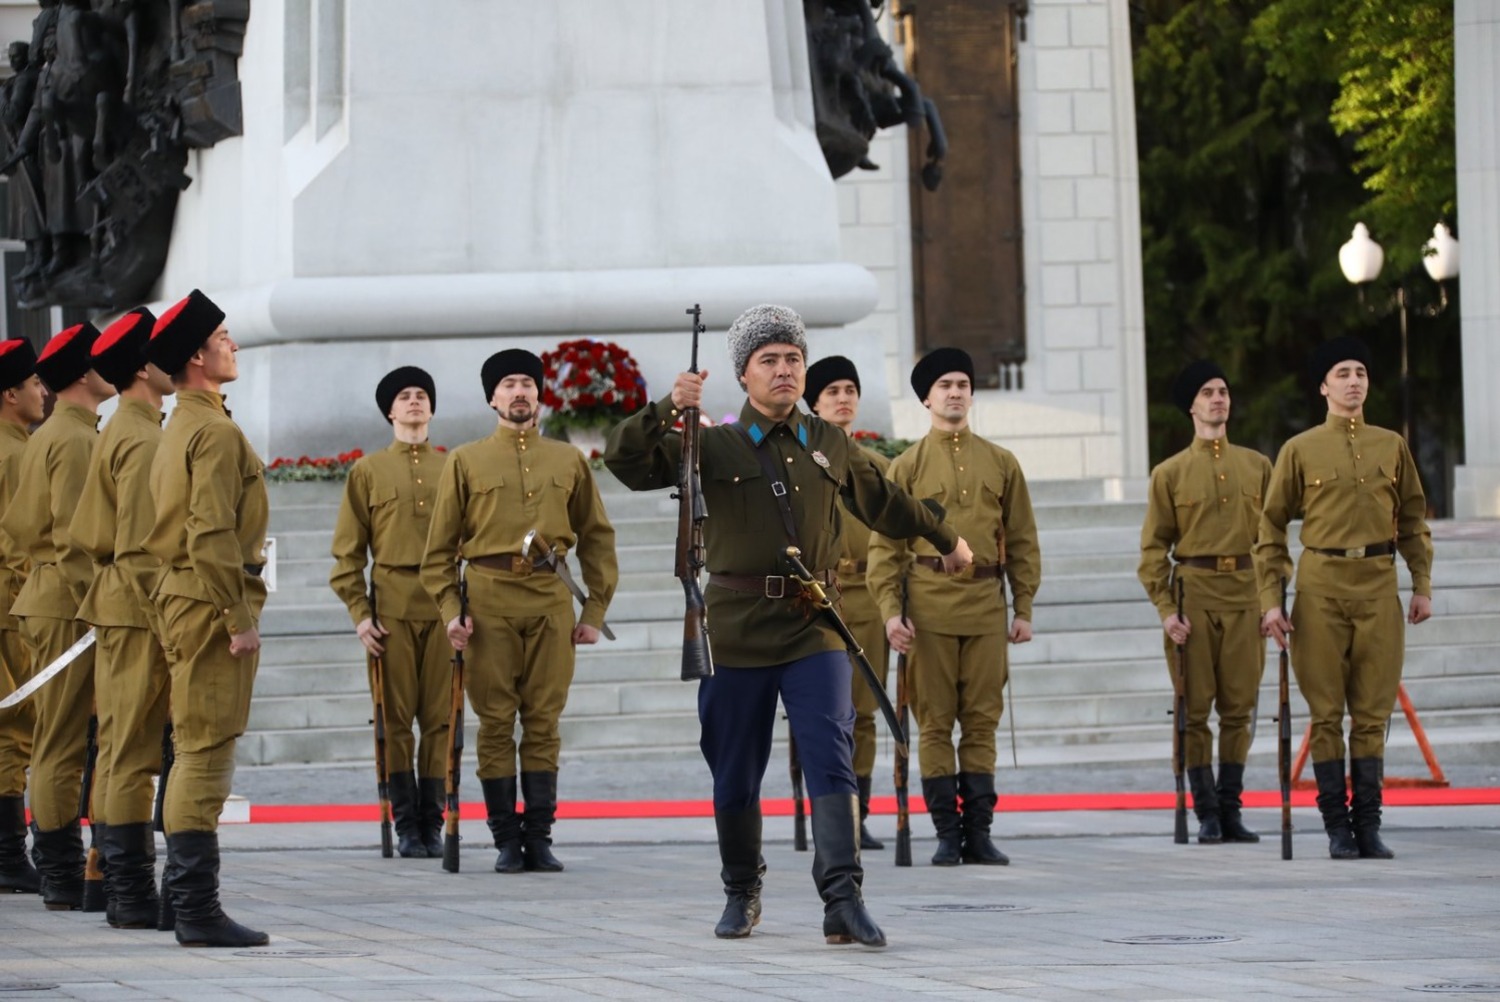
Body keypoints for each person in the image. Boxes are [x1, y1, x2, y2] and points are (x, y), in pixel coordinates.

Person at [605, 305, 973, 948]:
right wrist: (669, 404)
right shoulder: (708, 443)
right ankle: (741, 890)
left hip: (814, 625)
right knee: (735, 769)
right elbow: (626, 461)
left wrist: (947, 537)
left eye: (792, 359)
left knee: (832, 752)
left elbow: (884, 502)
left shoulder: (828, 442)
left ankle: (843, 899)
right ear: (743, 376)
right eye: (768, 361)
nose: (784, 370)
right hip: (736, 628)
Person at [421, 349, 617, 875]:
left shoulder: (568, 460)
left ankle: (540, 836)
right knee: (494, 722)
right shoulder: (466, 461)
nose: (519, 393)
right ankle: (506, 838)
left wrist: (594, 609)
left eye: (527, 383)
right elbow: (438, 552)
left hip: (551, 601)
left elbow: (597, 537)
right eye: (508, 384)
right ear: (492, 397)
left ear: (540, 394)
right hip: (487, 601)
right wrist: (449, 611)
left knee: (544, 721)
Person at [1257, 335, 1432, 861]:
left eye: (1360, 371)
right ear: (1323, 387)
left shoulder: (1390, 445)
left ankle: (1369, 825)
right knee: (1328, 714)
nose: (1354, 381)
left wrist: (1420, 584)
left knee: (1373, 713)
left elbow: (1415, 520)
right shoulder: (1300, 449)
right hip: (1322, 588)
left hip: (1378, 584)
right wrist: (1271, 600)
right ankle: (1336, 825)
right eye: (1343, 373)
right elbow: (1269, 528)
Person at [866, 347, 1040, 867]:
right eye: (945, 385)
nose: (956, 393)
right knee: (936, 722)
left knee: (983, 720)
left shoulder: (1001, 462)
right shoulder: (907, 465)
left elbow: (1024, 539)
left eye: (963, 384)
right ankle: (946, 833)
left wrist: (1023, 606)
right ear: (927, 398)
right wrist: (891, 612)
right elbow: (885, 548)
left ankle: (978, 832)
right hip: (931, 611)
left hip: (986, 607)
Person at [142, 289, 270, 947]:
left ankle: (179, 902)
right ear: (197, 355)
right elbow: (211, 532)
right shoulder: (213, 431)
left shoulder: (182, 425)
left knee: (193, 742)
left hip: (183, 598)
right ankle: (195, 910)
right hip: (208, 601)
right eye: (223, 337)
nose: (234, 345)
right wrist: (237, 614)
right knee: (205, 746)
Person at [0, 322, 112, 910]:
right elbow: (74, 539)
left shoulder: (62, 433)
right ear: (85, 374)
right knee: (61, 739)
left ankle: (62, 868)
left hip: (52, 598)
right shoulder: (70, 439)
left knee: (55, 737)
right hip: (69, 603)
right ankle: (63, 870)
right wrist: (104, 609)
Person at [69, 307, 175, 927]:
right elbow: (141, 541)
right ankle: (128, 891)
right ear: (142, 366)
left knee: (117, 747)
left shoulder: (123, 427)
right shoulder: (140, 437)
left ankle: (104, 879)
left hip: (118, 603)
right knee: (133, 749)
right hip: (137, 605)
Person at [1137, 361, 1272, 844]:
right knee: (1195, 711)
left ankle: (1231, 808)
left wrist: (1271, 599)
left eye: (1223, 391)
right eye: (1208, 393)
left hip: (1246, 596)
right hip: (1193, 597)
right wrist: (1166, 610)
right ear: (1191, 406)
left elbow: (1272, 540)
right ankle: (1206, 813)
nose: (1219, 399)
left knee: (1240, 708)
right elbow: (1153, 549)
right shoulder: (1169, 473)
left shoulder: (1258, 466)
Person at [330, 366, 451, 858]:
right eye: (404, 396)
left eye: (422, 395)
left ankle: (433, 821)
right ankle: (406, 823)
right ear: (390, 410)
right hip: (392, 609)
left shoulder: (454, 467)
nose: (415, 402)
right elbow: (347, 556)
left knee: (442, 721)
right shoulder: (368, 471)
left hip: (445, 609)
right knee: (396, 722)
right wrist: (361, 613)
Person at [802, 354, 890, 850]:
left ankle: (858, 814)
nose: (843, 399)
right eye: (832, 391)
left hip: (868, 597)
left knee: (866, 709)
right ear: (814, 402)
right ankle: (828, 815)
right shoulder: (799, 462)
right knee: (824, 715)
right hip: (815, 598)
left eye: (850, 391)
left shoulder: (878, 467)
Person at [0, 337, 45, 894]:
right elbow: (18, 547)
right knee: (14, 728)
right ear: (10, 393)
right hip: (11, 605)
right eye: (34, 383)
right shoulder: (14, 453)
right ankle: (9, 857)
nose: (43, 391)